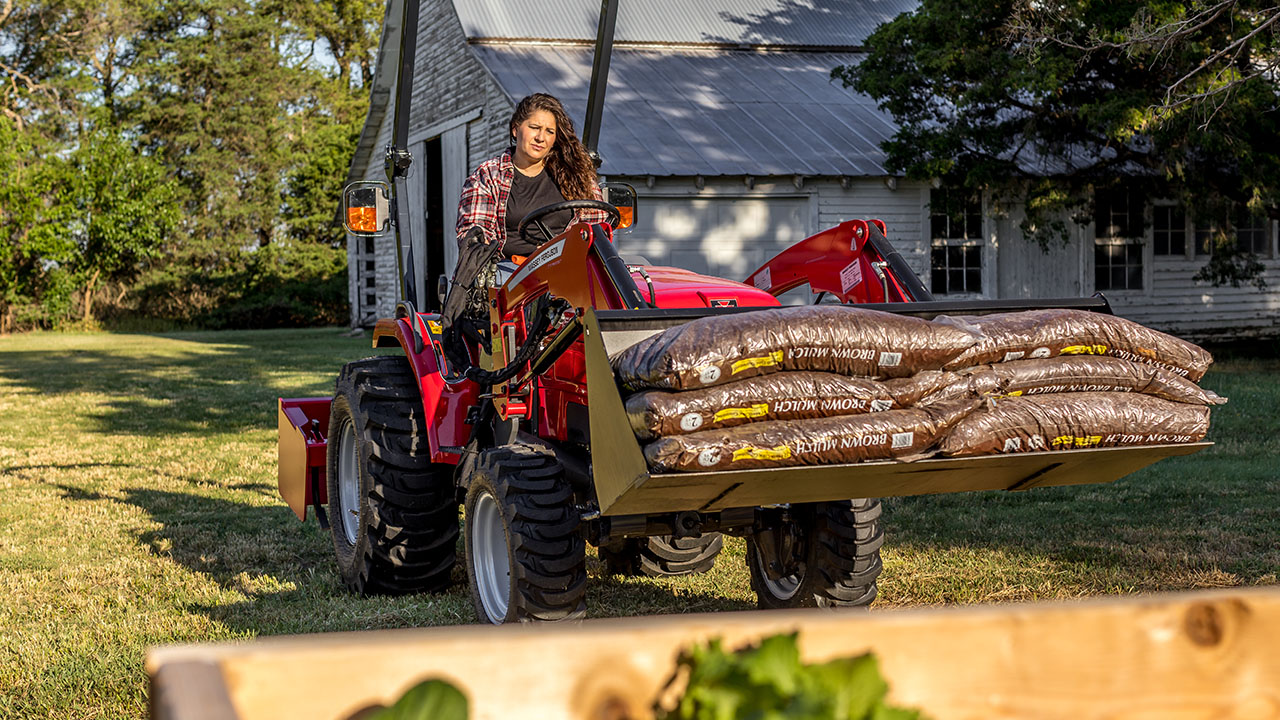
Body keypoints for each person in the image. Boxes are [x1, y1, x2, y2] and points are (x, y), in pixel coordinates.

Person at [441, 93, 610, 368]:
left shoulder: (574, 175)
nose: (541, 137)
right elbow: (475, 234)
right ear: (516, 128)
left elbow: (597, 221)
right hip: (512, 270)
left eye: (549, 131)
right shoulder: (489, 175)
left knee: (626, 281)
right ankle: (520, 369)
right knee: (530, 294)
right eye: (534, 127)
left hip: (566, 268)